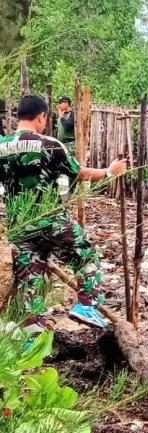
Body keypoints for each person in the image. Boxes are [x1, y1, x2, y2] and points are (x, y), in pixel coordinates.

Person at [0, 95, 128, 331]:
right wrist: (110, 171)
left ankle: (32, 334)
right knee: (86, 256)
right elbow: (78, 173)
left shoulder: (1, 147)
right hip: (49, 222)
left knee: (31, 278)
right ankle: (86, 307)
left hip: (18, 228)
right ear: (42, 116)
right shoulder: (50, 144)